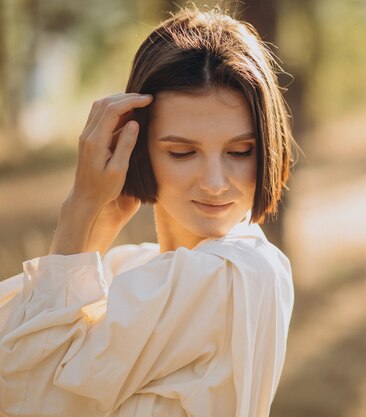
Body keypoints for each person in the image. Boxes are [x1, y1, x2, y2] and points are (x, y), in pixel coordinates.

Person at [0, 5, 295, 417]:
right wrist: (99, 224)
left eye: (240, 151)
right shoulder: (132, 268)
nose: (214, 181)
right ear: (137, 150)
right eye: (183, 152)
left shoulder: (231, 275)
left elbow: (27, 395)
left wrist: (80, 208)